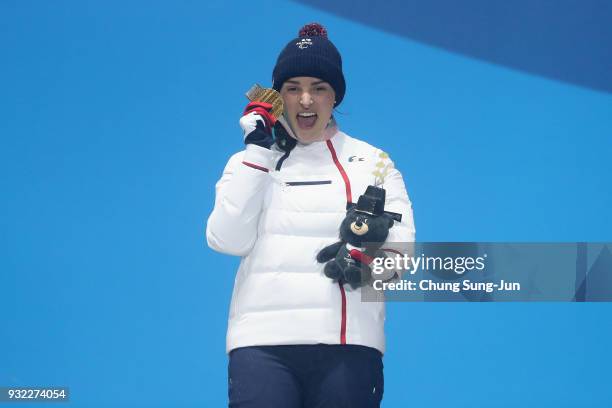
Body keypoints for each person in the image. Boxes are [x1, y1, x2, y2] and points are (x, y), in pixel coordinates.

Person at [206, 22, 416, 408]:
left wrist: (365, 262)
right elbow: (226, 239)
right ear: (275, 97)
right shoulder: (248, 160)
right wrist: (256, 151)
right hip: (262, 345)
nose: (306, 100)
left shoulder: (373, 162)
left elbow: (400, 255)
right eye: (293, 88)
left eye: (319, 88)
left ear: (335, 96)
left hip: (348, 344)